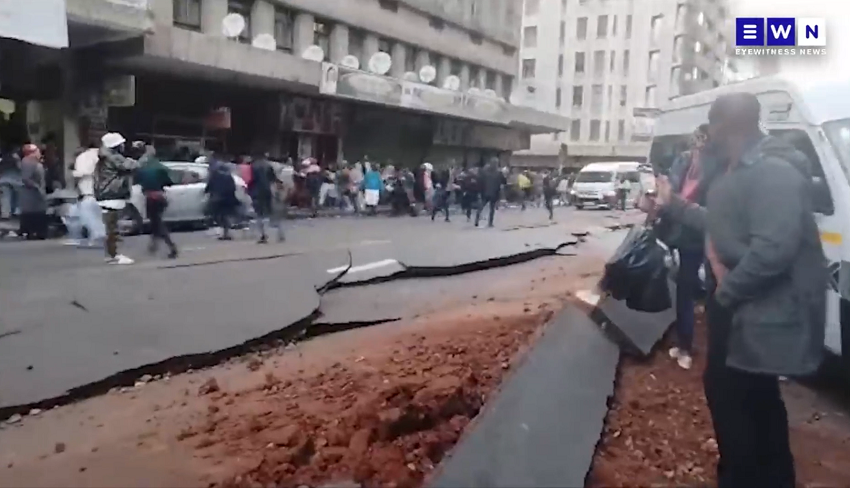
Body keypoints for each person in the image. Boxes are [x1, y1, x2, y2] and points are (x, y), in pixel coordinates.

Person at [646, 93, 826, 488]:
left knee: (738, 401)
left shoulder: (773, 172)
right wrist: (673, 204)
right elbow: (722, 226)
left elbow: (773, 252)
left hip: (754, 310)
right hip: (744, 308)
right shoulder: (740, 171)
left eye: (710, 131)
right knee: (752, 399)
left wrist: (724, 296)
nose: (705, 141)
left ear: (724, 128)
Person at [659, 124, 712, 370]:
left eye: (701, 140)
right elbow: (668, 193)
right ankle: (687, 345)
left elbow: (669, 197)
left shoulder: (709, 165)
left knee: (688, 289)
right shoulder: (688, 161)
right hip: (693, 232)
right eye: (697, 139)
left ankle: (686, 347)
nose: (698, 144)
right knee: (693, 288)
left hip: (695, 234)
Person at [94, 133, 139, 264]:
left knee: (111, 227)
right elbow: (132, 166)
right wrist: (140, 156)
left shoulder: (104, 158)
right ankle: (113, 255)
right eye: (121, 144)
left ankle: (112, 254)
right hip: (112, 194)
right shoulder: (114, 157)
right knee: (112, 228)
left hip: (106, 194)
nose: (124, 146)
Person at [135, 147, 178, 258]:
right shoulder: (159, 167)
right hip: (160, 197)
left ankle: (171, 246)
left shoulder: (142, 167)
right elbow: (169, 181)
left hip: (150, 198)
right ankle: (154, 245)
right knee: (155, 221)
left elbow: (137, 180)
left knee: (157, 223)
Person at [249, 153, 284, 243]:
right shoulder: (268, 166)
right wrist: (279, 185)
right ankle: (273, 234)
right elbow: (274, 178)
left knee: (259, 213)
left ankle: (263, 235)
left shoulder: (254, 166)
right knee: (269, 212)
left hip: (256, 191)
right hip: (267, 191)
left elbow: (251, 180)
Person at [205, 153, 240, 240]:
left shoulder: (215, 175)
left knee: (219, 215)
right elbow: (233, 187)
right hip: (226, 198)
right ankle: (226, 233)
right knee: (224, 215)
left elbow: (210, 185)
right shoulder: (228, 176)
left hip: (218, 198)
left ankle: (225, 233)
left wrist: (206, 191)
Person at [18, 144, 48, 240]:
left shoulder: (33, 162)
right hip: (32, 195)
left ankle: (35, 232)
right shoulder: (28, 162)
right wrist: (37, 187)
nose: (39, 153)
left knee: (37, 212)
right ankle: (34, 232)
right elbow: (26, 178)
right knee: (34, 213)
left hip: (36, 195)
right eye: (37, 151)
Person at [475, 158, 506, 228]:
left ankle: (477, 220)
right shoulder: (499, 173)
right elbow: (504, 182)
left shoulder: (484, 172)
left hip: (485, 192)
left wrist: (479, 191)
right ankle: (490, 223)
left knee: (481, 207)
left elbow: (479, 182)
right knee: (492, 209)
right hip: (494, 193)